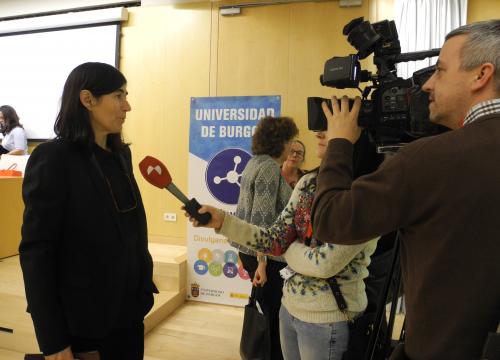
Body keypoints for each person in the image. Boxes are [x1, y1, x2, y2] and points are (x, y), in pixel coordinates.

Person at [311, 20, 500, 360]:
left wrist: (339, 143)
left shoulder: (431, 159)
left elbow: (331, 219)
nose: (427, 84)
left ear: (481, 75)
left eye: (440, 71)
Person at [187, 129, 383, 360]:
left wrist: (288, 247)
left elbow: (322, 264)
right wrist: (224, 222)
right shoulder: (308, 182)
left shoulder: (368, 195)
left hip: (329, 321)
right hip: (288, 309)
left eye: (329, 125)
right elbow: (274, 240)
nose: (318, 133)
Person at [19, 62, 157, 360]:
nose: (127, 106)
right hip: (84, 324)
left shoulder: (121, 154)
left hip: (129, 315)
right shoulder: (54, 159)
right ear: (87, 99)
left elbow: (129, 229)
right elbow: (37, 251)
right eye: (118, 96)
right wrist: (53, 340)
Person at [232, 115, 298, 360]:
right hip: (267, 258)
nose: (293, 146)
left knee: (266, 312)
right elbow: (262, 220)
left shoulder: (254, 163)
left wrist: (243, 253)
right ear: (280, 140)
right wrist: (262, 262)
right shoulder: (269, 168)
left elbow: (243, 213)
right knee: (272, 318)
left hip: (250, 251)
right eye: (291, 140)